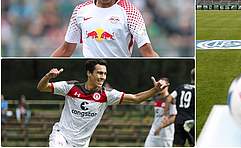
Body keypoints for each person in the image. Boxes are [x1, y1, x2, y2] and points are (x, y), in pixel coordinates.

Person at [36, 59, 168, 147]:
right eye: (99, 73)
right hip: (61, 136)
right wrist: (48, 76)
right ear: (89, 73)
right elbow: (42, 87)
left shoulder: (107, 95)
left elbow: (136, 98)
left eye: (104, 74)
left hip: (81, 144)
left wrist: (155, 90)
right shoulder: (71, 87)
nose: (102, 77)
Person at [51, 0, 159, 57]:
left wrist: (162, 77)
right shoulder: (80, 11)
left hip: (119, 74)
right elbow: (66, 49)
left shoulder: (130, 12)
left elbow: (147, 52)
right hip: (91, 74)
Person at [164, 68, 195, 147]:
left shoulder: (181, 87)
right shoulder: (195, 90)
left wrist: (166, 115)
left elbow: (169, 98)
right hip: (190, 120)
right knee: (193, 143)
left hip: (179, 120)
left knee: (178, 144)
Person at [144, 78, 177, 147]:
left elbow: (174, 117)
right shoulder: (157, 98)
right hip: (153, 134)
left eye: (162, 85)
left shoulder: (171, 100)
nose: (160, 87)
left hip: (166, 136)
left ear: (167, 86)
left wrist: (161, 127)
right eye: (159, 85)